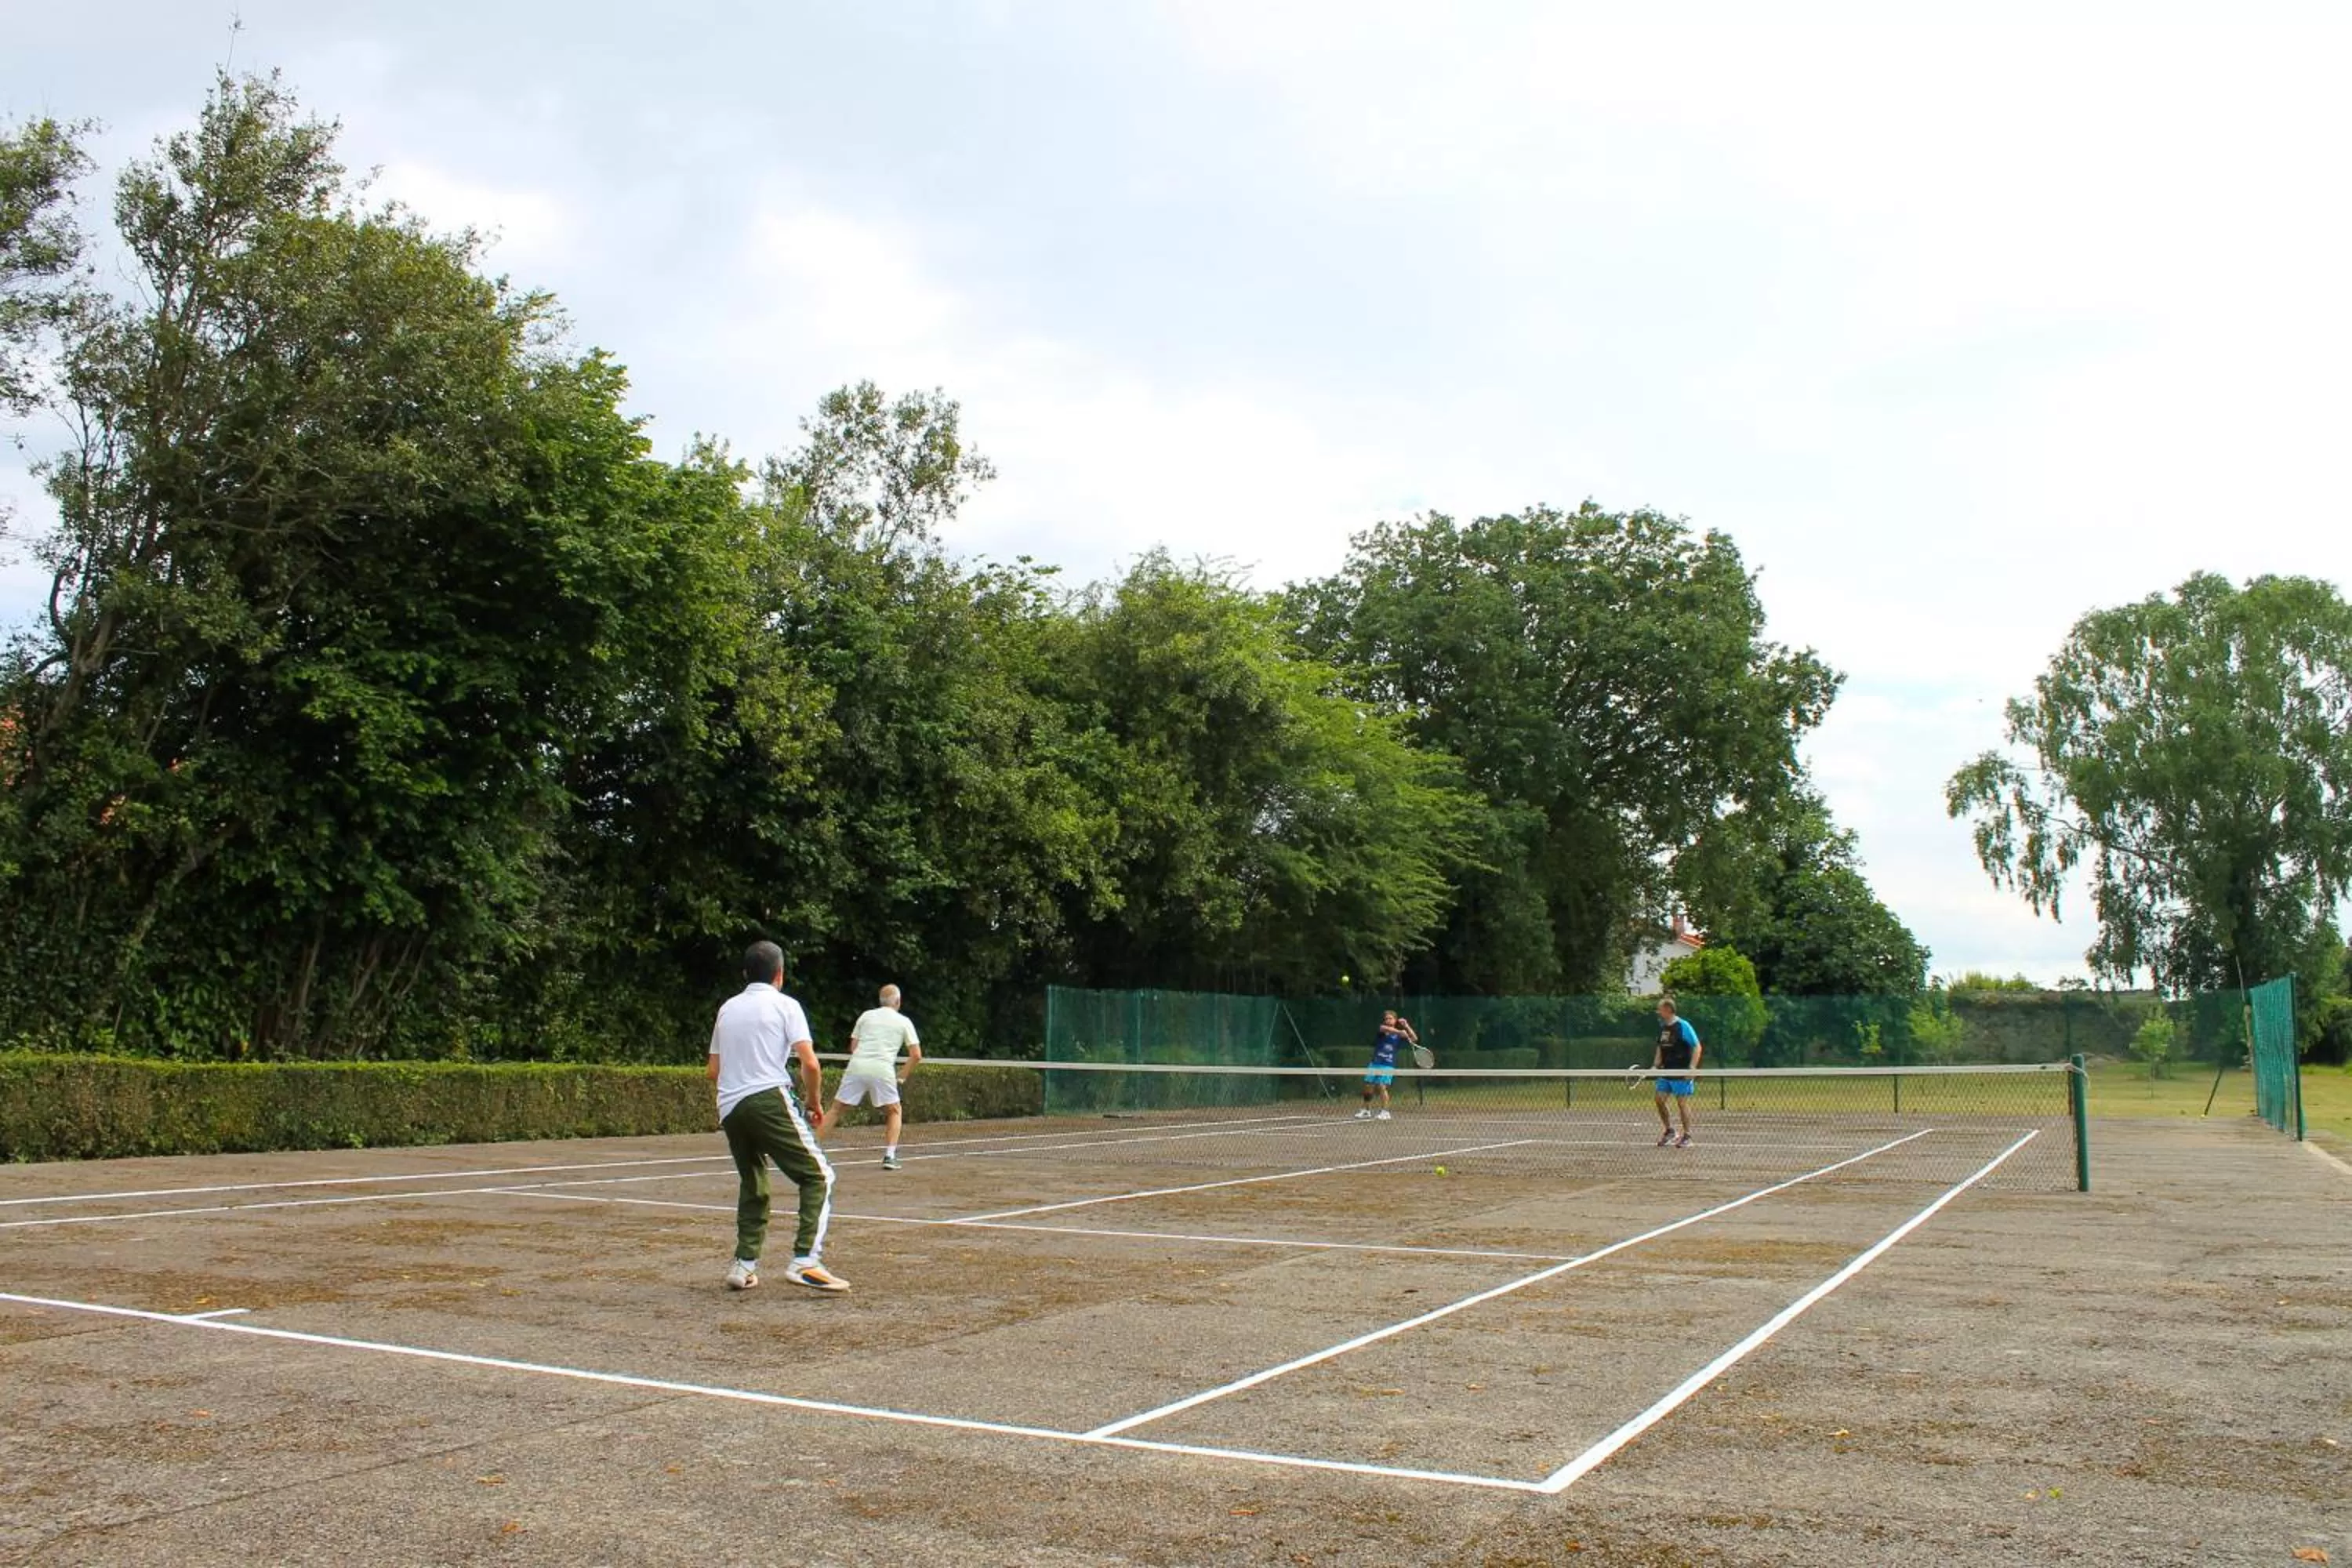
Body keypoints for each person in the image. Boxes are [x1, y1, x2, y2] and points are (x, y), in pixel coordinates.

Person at [706, 941, 848, 1293]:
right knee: (820, 1176)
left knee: (754, 1182)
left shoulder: (727, 1008)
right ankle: (805, 1261)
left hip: (730, 1106)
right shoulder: (786, 1006)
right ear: (780, 974)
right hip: (768, 1098)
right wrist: (815, 1102)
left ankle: (743, 1265)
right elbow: (810, 1063)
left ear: (745, 973)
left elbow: (713, 1070)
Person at [820, 983, 923, 1171]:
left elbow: (853, 1048)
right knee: (894, 1111)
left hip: (857, 1065)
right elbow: (916, 1055)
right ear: (898, 1002)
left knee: (835, 1110)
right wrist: (903, 1075)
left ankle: (810, 1152)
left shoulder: (866, 1016)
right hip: (883, 1069)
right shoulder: (904, 1021)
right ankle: (889, 1156)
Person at [1651, 997, 1703, 1149]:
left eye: (1660, 1009)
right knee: (1659, 1100)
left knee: (1681, 1103)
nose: (1658, 1012)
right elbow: (1660, 1048)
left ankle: (1687, 1136)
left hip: (1682, 1072)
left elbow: (1697, 1047)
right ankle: (1669, 1131)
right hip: (1666, 1071)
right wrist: (1655, 1065)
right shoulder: (1663, 1028)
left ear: (1668, 1009)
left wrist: (1692, 1068)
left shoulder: (1683, 1026)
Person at [1356, 1010, 1418, 1121]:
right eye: (1386, 1019)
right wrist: (1400, 1032)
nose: (1388, 1020)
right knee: (1368, 1087)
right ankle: (1366, 1110)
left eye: (1390, 1018)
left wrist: (1407, 1026)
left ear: (1395, 1020)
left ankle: (1385, 1112)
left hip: (1387, 1065)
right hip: (1375, 1063)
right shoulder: (1383, 1030)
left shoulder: (1399, 1036)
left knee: (1382, 1086)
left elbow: (1414, 1039)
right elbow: (1384, 1028)